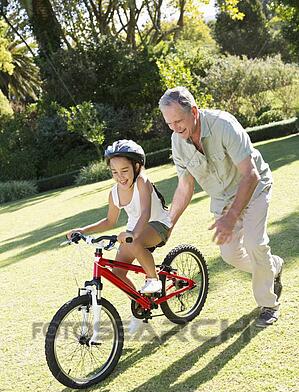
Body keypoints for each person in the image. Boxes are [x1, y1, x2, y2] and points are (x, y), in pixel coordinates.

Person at [159, 86, 283, 328]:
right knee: (230, 255)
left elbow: (251, 175)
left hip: (254, 189)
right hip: (222, 199)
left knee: (255, 243)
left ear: (193, 111)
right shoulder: (178, 141)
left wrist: (231, 217)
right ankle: (273, 266)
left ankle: (268, 303)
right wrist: (168, 223)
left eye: (178, 120)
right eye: (169, 123)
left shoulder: (223, 124)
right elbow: (185, 186)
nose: (175, 128)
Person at [67, 139, 172, 332]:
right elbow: (109, 221)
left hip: (158, 225)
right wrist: (83, 230)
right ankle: (141, 306)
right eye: (114, 172)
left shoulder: (142, 181)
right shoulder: (114, 193)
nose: (120, 177)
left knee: (135, 241)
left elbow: (146, 212)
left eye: (124, 170)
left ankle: (153, 279)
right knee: (118, 273)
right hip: (133, 232)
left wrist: (133, 234)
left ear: (137, 166)